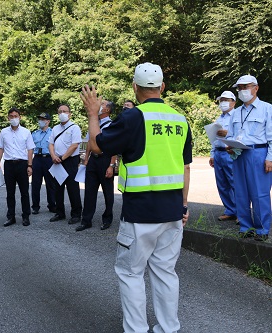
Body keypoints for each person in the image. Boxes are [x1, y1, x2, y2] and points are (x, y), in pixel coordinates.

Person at [81, 62, 192, 333]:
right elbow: (186, 167)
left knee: (131, 273)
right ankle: (168, 328)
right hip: (172, 211)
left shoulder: (133, 118)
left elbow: (96, 146)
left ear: (135, 87)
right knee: (165, 273)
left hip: (140, 212)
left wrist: (93, 114)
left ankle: (137, 330)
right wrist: (184, 205)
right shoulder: (180, 119)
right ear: (162, 87)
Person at [226, 75, 272, 241]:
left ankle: (262, 229)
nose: (242, 91)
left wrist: (270, 158)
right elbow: (231, 134)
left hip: (258, 154)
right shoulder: (236, 112)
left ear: (256, 88)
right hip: (239, 154)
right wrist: (229, 146)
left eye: (245, 87)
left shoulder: (267, 109)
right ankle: (246, 227)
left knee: (260, 193)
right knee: (241, 192)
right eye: (239, 88)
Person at [76, 100, 117, 231]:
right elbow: (90, 141)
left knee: (108, 192)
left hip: (105, 159)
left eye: (103, 104)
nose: (99, 105)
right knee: (89, 191)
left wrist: (111, 165)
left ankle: (107, 219)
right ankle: (86, 220)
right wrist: (86, 159)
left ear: (107, 110)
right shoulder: (94, 123)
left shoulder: (112, 125)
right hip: (93, 160)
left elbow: (114, 146)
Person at [0, 107, 35, 227]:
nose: (13, 118)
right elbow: (0, 148)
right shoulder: (4, 132)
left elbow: (30, 149)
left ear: (20, 117)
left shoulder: (26, 132)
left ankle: (26, 216)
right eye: (11, 116)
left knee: (24, 192)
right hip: (9, 165)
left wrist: (29, 165)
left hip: (22, 164)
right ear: (8, 118)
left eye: (15, 116)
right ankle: (10, 217)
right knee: (10, 193)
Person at [48, 104, 82, 224]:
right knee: (57, 188)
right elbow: (50, 144)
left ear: (70, 114)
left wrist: (62, 158)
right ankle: (60, 212)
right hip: (56, 160)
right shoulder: (55, 128)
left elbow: (74, 145)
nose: (62, 113)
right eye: (60, 111)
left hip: (70, 161)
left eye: (65, 111)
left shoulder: (75, 128)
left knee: (72, 188)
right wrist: (53, 156)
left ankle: (76, 214)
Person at [209, 91, 237, 222]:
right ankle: (230, 210)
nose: (223, 103)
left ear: (233, 102)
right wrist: (212, 154)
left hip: (230, 152)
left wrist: (229, 133)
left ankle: (241, 213)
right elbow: (214, 138)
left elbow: (243, 135)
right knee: (222, 184)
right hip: (219, 153)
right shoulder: (219, 118)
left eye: (226, 100)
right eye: (221, 100)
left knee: (235, 183)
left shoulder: (237, 116)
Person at [31, 112, 56, 215]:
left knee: (50, 183)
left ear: (48, 121)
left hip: (49, 159)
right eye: (40, 119)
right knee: (35, 184)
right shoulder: (34, 133)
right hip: (37, 159)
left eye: (43, 119)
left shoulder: (53, 132)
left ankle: (52, 205)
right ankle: (35, 207)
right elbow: (30, 149)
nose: (41, 121)